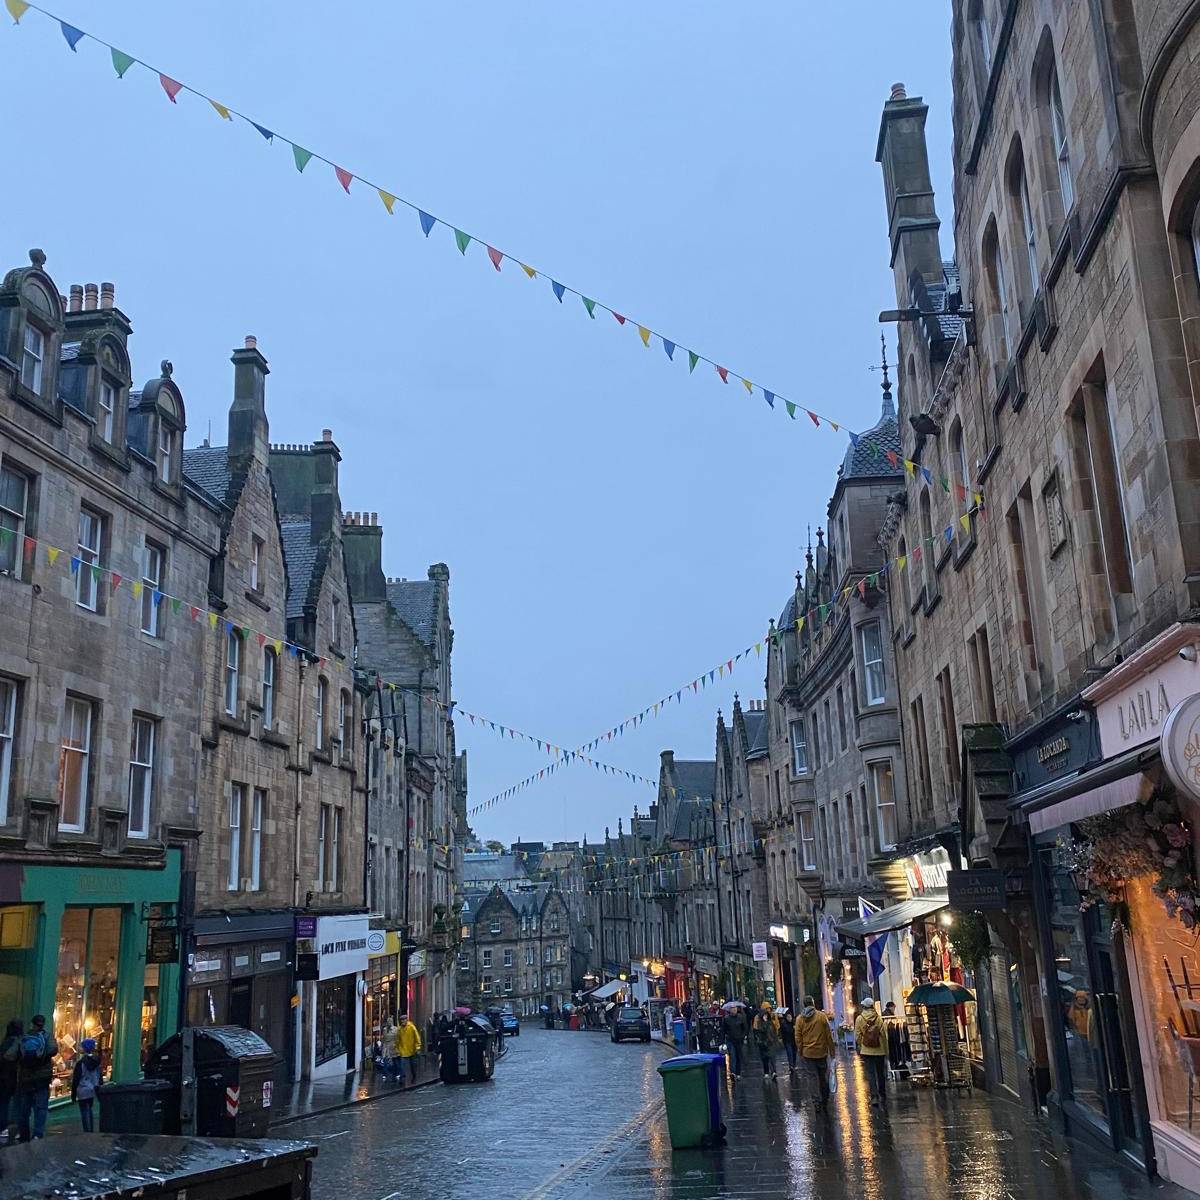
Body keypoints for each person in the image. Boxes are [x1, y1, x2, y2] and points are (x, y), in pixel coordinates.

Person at [16, 1014, 57, 1141]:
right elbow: (54, 1050)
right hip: (42, 1077)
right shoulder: (47, 1036)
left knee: (24, 1107)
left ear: (32, 1023)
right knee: (41, 1107)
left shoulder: (24, 1037)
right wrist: (43, 1057)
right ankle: (38, 1134)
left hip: (26, 1077)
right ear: (43, 1024)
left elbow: (17, 1054)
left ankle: (24, 1133)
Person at [796, 996, 836, 1109]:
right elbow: (829, 1035)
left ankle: (815, 1101)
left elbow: (798, 1037)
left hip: (808, 1053)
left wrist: (800, 1051)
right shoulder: (821, 1016)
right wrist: (832, 1051)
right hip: (821, 1051)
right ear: (813, 1003)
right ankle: (825, 1097)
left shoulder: (800, 1019)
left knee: (811, 1077)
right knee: (822, 1075)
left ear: (804, 1004)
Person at [854, 997, 888, 1104]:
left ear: (864, 1006)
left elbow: (857, 1035)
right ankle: (882, 1093)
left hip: (866, 1051)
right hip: (880, 1050)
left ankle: (874, 1096)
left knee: (870, 1073)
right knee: (880, 1072)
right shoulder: (878, 1018)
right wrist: (885, 1049)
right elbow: (884, 1034)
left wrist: (861, 1045)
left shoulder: (860, 1019)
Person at [70, 1038, 103, 1131]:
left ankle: (87, 1131)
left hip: (82, 1090)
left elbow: (76, 1079)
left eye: (81, 1046)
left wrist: (73, 1095)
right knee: (89, 1110)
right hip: (93, 1089)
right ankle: (91, 1129)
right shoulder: (97, 1061)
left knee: (84, 1111)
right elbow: (99, 1076)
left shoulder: (81, 1063)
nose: (80, 1048)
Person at [0, 1020, 22, 1143]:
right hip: (17, 1077)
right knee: (19, 1104)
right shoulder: (20, 1041)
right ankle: (19, 1129)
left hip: (4, 1077)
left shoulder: (5, 1042)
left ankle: (3, 1128)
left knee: (3, 1103)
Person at [752, 1003, 779, 1081]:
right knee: (765, 1059)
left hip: (770, 1042)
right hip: (763, 1043)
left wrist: (775, 1039)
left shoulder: (771, 1022)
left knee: (772, 1057)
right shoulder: (758, 1021)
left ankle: (773, 1072)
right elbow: (756, 1030)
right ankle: (766, 1072)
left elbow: (774, 1030)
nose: (766, 1016)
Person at [394, 1013, 422, 1087]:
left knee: (413, 1066)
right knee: (402, 1066)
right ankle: (402, 1079)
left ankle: (414, 1077)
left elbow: (417, 1037)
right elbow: (397, 1040)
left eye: (404, 1019)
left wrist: (418, 1047)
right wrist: (397, 1049)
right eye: (401, 1020)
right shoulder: (399, 1029)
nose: (403, 1021)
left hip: (412, 1050)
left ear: (407, 1020)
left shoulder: (412, 1027)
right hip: (403, 1051)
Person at [722, 1005, 747, 1078]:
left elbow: (744, 1028)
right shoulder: (726, 1019)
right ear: (730, 1010)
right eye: (732, 1009)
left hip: (739, 1040)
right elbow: (724, 1030)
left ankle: (738, 1073)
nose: (734, 1010)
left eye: (735, 1008)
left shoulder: (741, 1017)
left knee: (738, 1056)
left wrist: (743, 1036)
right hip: (730, 1040)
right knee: (732, 1056)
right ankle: (733, 1072)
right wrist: (723, 1039)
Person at [778, 1006, 797, 1073]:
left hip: (794, 1041)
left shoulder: (794, 1023)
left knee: (794, 1053)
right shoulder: (784, 1024)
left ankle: (793, 1065)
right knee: (790, 1053)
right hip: (787, 1041)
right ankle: (791, 1065)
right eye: (788, 1017)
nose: (790, 1018)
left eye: (790, 1017)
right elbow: (785, 1031)